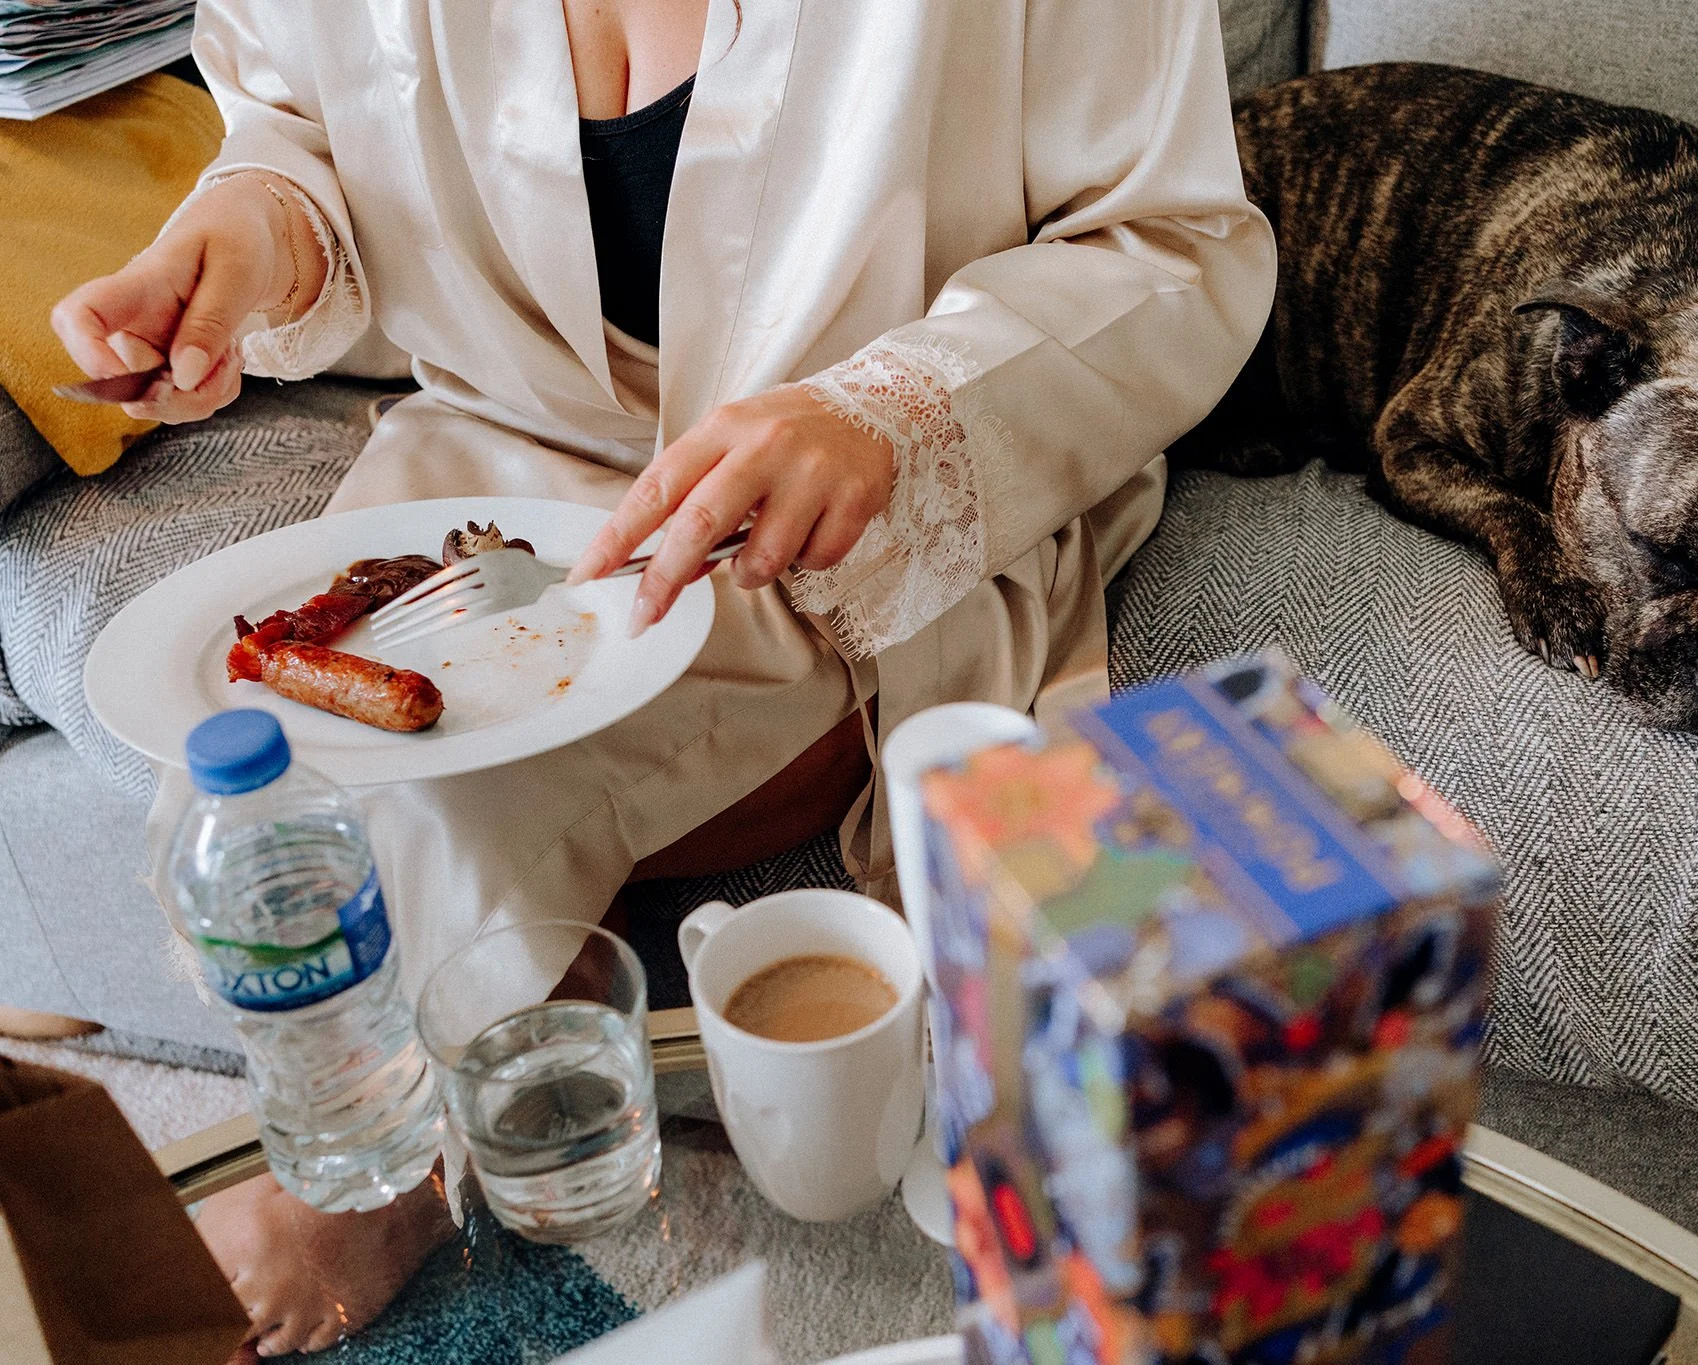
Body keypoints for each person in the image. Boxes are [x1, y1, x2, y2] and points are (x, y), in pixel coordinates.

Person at [52, 0, 1274, 1355]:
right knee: (270, 761)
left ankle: (402, 1158)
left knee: (457, 801)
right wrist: (250, 238)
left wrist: (883, 416)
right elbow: (303, 130)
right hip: (499, 467)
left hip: (841, 490)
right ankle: (504, 1022)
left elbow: (1173, 246)